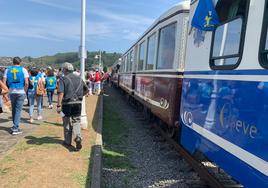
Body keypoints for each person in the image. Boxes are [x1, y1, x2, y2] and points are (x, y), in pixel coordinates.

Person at [57, 62, 88, 151]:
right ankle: (78, 137)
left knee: (66, 122)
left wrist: (59, 105)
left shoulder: (63, 79)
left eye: (63, 69)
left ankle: (67, 142)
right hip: (78, 103)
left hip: (67, 104)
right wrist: (80, 96)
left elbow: (61, 93)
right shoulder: (79, 78)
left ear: (65, 70)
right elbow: (86, 90)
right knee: (76, 121)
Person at [3, 57, 29, 135]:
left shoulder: (7, 70)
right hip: (21, 91)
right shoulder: (23, 70)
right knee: (18, 110)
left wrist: (5, 94)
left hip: (11, 91)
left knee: (14, 109)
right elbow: (27, 83)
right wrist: (25, 91)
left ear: (13, 62)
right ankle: (15, 128)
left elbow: (4, 82)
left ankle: (14, 125)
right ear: (20, 62)